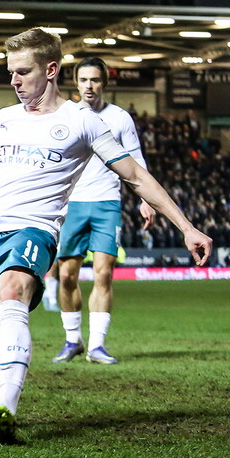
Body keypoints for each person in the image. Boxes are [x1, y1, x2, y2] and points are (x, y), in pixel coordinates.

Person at [0, 28, 211, 445]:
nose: (14, 81)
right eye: (11, 72)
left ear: (52, 69)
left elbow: (135, 176)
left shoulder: (82, 122)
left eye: (23, 72)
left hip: (33, 229)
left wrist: (187, 228)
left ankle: (7, 406)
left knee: (13, 289)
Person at [52, 57, 156, 365]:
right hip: (72, 205)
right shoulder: (66, 115)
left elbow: (135, 161)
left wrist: (146, 199)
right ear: (76, 83)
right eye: (83, 80)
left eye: (94, 80)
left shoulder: (120, 118)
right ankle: (73, 341)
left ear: (104, 83)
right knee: (67, 275)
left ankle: (97, 346)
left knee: (104, 273)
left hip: (107, 202)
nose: (89, 85)